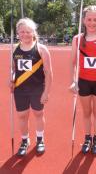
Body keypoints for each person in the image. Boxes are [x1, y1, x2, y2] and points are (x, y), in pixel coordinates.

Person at [70, 5, 96, 155]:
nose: (92, 22)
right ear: (83, 20)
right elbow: (73, 62)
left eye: (95, 19)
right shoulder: (77, 39)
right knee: (86, 113)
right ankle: (87, 138)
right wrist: (73, 81)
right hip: (84, 82)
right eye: (89, 19)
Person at [10, 18, 53, 156]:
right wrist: (10, 79)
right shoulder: (15, 49)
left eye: (28, 31)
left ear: (33, 32)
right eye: (22, 31)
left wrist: (46, 92)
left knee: (38, 114)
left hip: (37, 89)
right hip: (20, 90)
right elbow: (13, 69)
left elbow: (49, 72)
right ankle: (25, 140)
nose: (25, 34)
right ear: (18, 33)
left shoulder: (41, 49)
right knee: (22, 116)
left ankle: (40, 139)